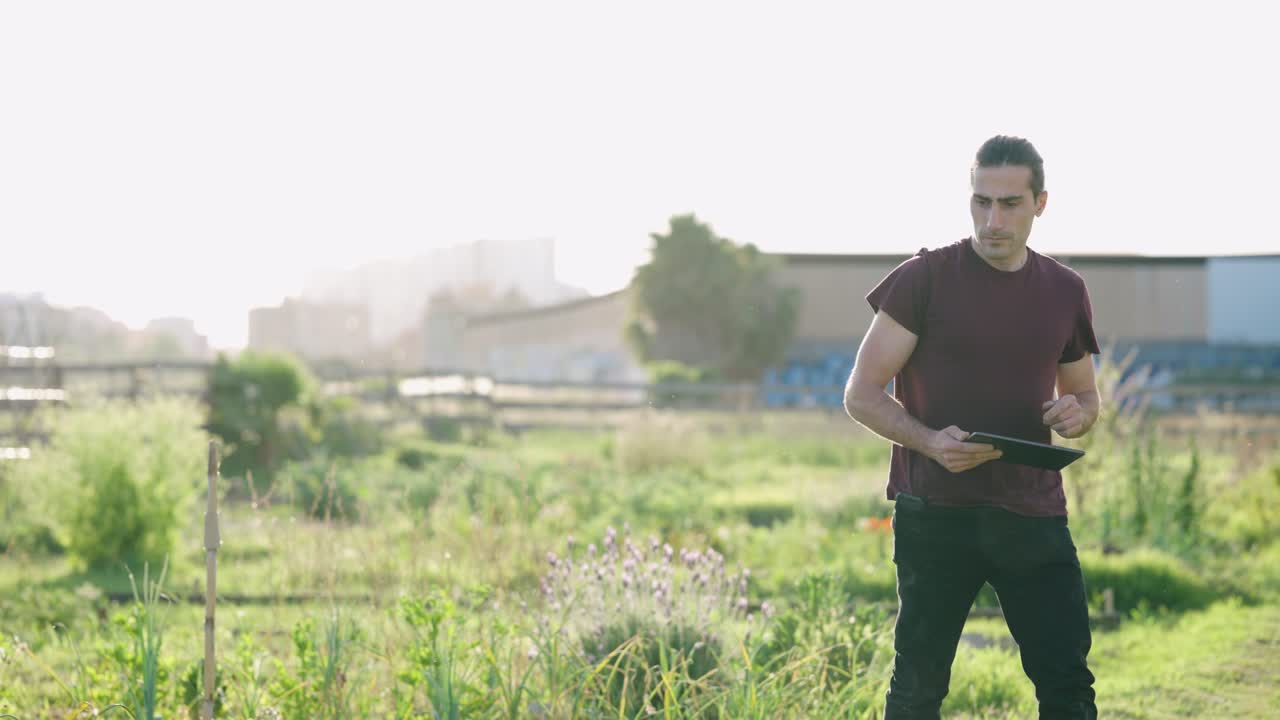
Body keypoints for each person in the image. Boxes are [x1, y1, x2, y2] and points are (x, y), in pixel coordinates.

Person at [843, 135, 1102, 719]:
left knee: (1067, 687)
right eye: (981, 202)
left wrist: (1078, 413)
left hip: (1033, 515)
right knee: (916, 689)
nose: (993, 219)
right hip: (935, 515)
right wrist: (931, 443)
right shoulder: (923, 278)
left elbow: (1084, 398)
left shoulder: (1065, 291)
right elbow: (860, 394)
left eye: (1010, 203)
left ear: (1041, 203)